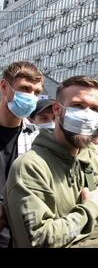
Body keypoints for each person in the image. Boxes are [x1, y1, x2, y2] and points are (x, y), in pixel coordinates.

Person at [5, 76, 98, 247]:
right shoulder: (30, 167)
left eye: (94, 109)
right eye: (78, 106)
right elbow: (38, 240)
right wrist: (89, 209)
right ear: (57, 109)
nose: (87, 115)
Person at [0, 61, 44, 248]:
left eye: (37, 92)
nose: (31, 97)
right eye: (25, 89)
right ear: (4, 87)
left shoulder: (37, 139)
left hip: (19, 239)